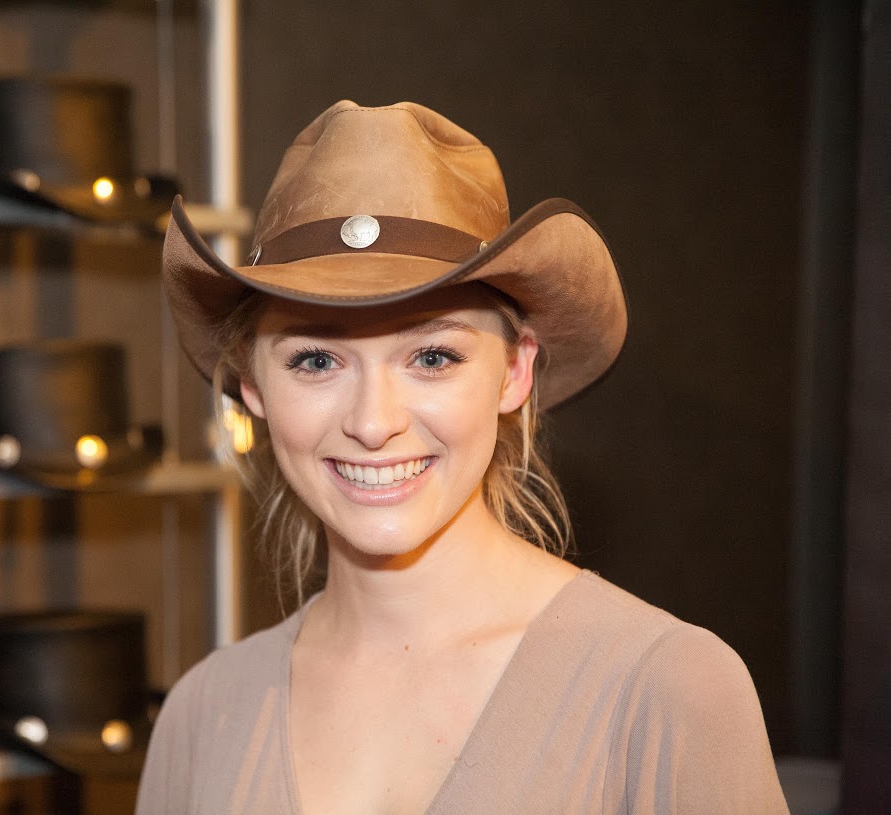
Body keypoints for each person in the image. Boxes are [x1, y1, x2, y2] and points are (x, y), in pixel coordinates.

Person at [137, 100, 788, 814]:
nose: (373, 423)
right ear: (253, 387)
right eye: (317, 359)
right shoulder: (201, 717)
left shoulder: (667, 691)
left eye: (433, 357)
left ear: (515, 373)